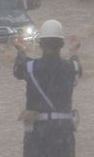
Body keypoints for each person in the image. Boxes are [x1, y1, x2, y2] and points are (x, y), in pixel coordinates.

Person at [13, 20, 82, 157]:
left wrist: (21, 50)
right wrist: (74, 51)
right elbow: (77, 68)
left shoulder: (30, 67)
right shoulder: (71, 68)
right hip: (63, 133)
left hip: (37, 133)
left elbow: (17, 70)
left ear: (40, 44)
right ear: (61, 44)